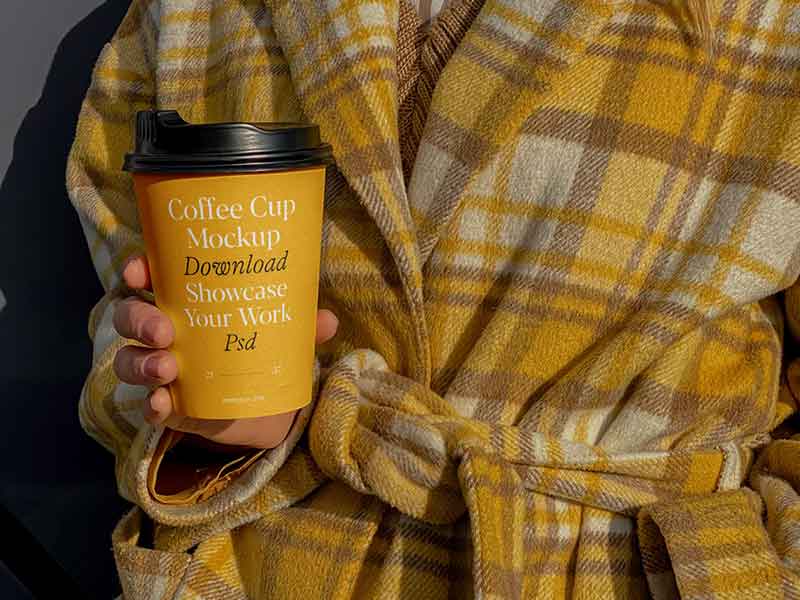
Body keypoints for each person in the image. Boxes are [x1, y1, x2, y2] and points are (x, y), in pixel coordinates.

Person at [67, 0, 800, 597]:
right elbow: (123, 302)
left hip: (620, 566)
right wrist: (192, 407)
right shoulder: (196, 10)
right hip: (281, 563)